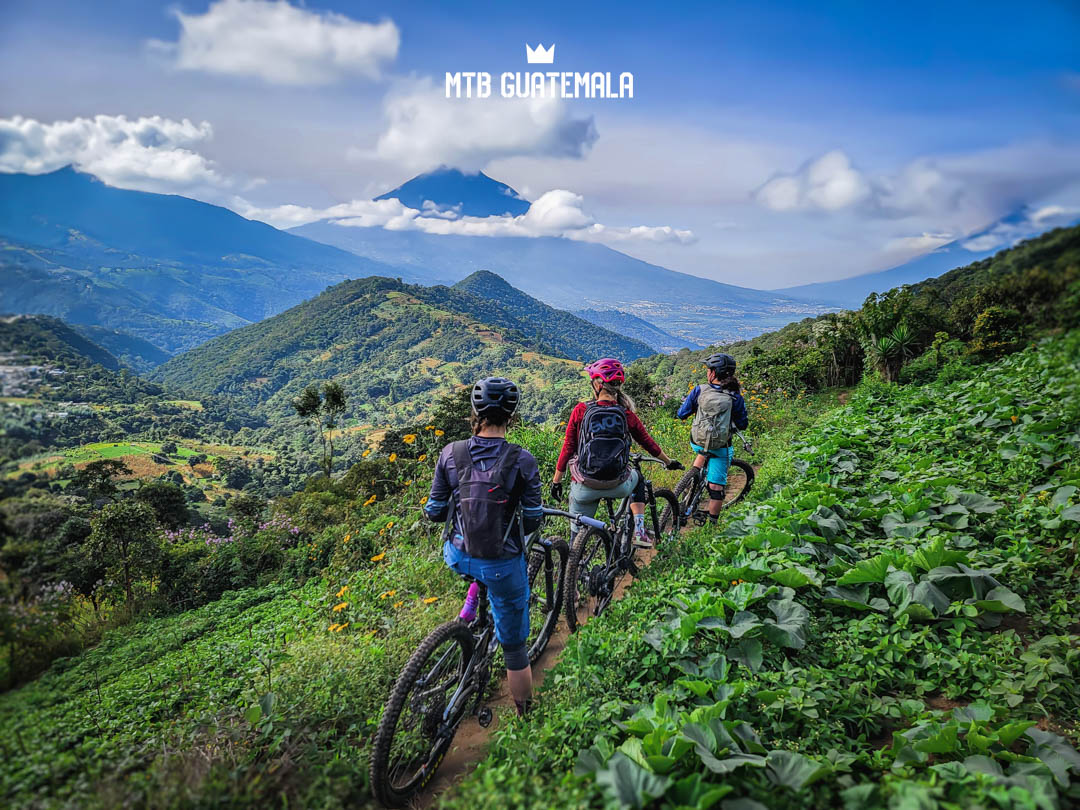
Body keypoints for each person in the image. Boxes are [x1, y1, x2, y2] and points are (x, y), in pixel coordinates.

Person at [424, 377, 543, 717]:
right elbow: (533, 520)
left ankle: (471, 606)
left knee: (477, 564)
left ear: (475, 412)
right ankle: (526, 719)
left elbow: (434, 512)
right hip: (501, 564)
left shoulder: (451, 453)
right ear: (512, 416)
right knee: (515, 649)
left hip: (458, 556)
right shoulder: (523, 460)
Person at [551, 358, 682, 548]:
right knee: (638, 479)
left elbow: (568, 447)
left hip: (584, 486)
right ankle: (639, 531)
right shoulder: (626, 414)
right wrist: (668, 462)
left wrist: (556, 481)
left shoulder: (581, 410)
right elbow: (648, 444)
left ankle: (575, 564)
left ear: (597, 384)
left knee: (576, 534)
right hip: (618, 485)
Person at [676, 352, 749, 523]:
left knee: (702, 450)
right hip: (720, 446)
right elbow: (743, 424)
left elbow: (681, 414)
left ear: (714, 373)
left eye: (709, 369)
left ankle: (689, 484)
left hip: (697, 442)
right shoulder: (735, 397)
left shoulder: (699, 390)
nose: (707, 372)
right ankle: (712, 524)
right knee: (716, 488)